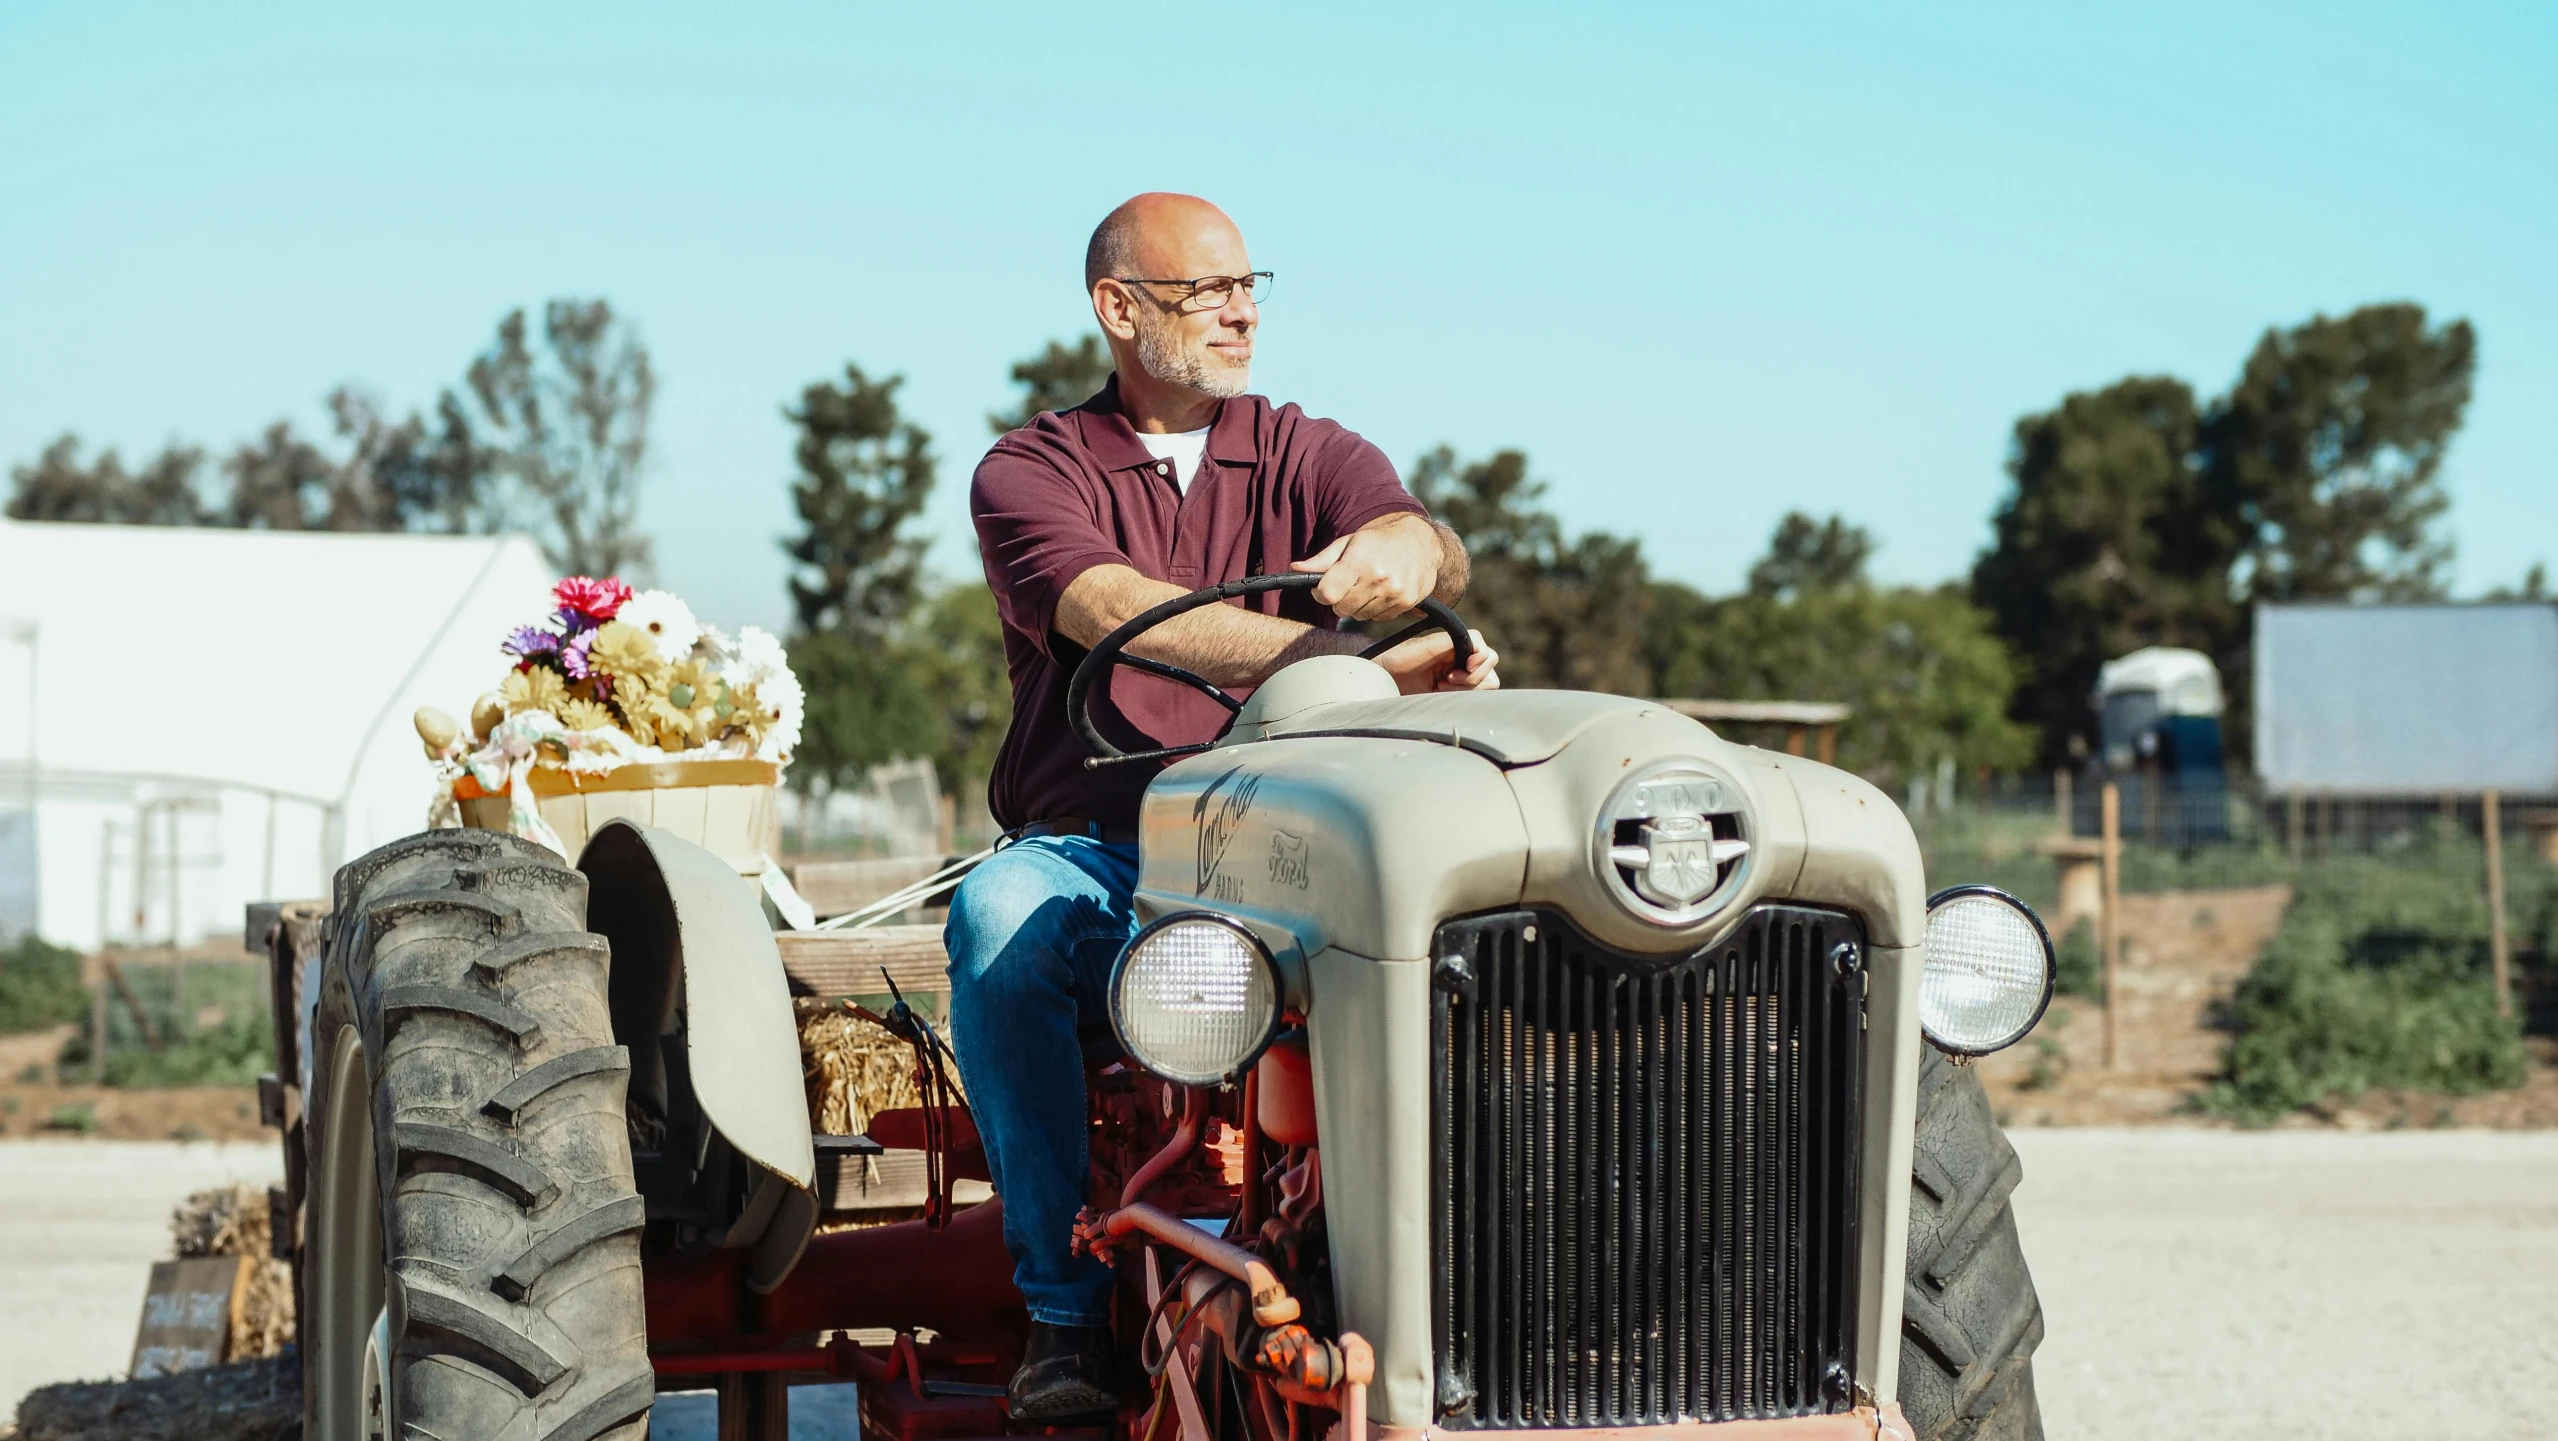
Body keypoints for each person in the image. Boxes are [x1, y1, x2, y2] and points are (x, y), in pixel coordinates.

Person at [947, 191, 1500, 1419]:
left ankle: (1473, 1293)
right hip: (1104, 850)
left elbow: (1420, 538)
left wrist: (1411, 552)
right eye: (1207, 290)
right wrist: (1348, 664)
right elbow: (1111, 612)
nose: (1241, 309)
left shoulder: (1301, 445)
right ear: (1117, 307)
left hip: (1284, 850)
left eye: (1251, 284)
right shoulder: (1030, 469)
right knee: (997, 919)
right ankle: (1060, 1312)